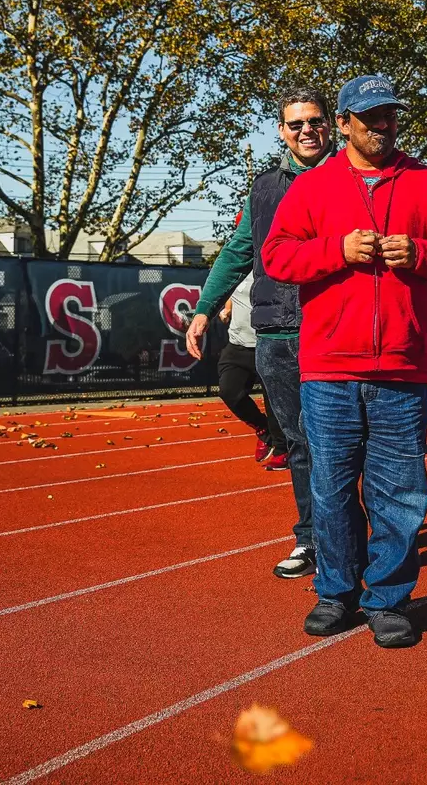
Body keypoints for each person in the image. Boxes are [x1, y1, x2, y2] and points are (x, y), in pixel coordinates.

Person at [261, 74, 427, 649]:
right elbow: (276, 256)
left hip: (401, 368)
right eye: (371, 115)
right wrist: (337, 250)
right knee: (331, 488)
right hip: (328, 367)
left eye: (390, 115)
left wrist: (423, 253)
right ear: (346, 122)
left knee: (400, 491)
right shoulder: (311, 187)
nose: (383, 124)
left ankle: (387, 598)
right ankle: (336, 591)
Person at [184, 89, 332, 580]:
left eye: (314, 121)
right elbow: (237, 251)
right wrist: (205, 309)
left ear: (331, 125)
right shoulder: (264, 187)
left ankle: (351, 536)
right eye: (296, 124)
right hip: (275, 335)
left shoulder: (352, 175)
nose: (306, 130)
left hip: (334, 328)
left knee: (346, 442)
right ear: (281, 131)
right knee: (299, 443)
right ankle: (312, 540)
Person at [216, 275, 287, 468]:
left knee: (273, 399)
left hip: (267, 342)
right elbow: (233, 288)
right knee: (229, 390)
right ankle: (263, 429)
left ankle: (282, 450)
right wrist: (228, 309)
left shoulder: (270, 264)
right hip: (238, 344)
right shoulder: (238, 264)